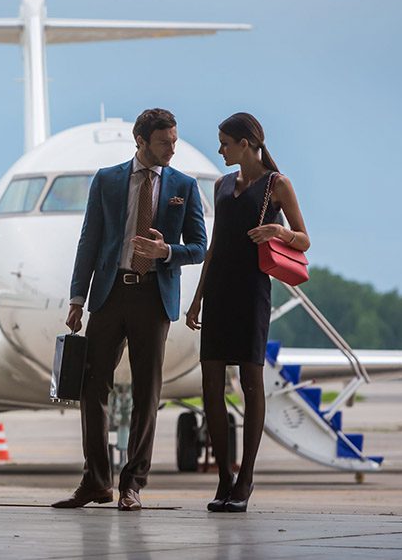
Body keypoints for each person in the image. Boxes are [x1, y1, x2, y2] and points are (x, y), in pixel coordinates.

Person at [53, 108, 207, 510]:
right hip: (110, 293)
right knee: (91, 387)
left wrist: (166, 251)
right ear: (140, 141)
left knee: (146, 392)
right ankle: (96, 482)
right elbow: (89, 241)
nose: (172, 148)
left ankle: (133, 484)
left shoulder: (184, 186)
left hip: (153, 297)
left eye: (174, 140)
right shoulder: (106, 180)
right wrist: (76, 299)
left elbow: (200, 247)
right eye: (164, 142)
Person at [185, 112, 310, 513]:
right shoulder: (222, 184)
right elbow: (216, 246)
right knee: (210, 389)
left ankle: (246, 479)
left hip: (253, 290)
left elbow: (304, 239)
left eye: (224, 142)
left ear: (246, 143)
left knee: (251, 383)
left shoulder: (278, 184)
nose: (219, 149)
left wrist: (279, 232)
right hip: (219, 290)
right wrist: (197, 298)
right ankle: (224, 476)